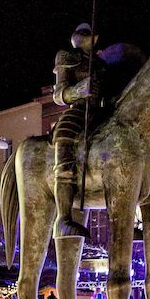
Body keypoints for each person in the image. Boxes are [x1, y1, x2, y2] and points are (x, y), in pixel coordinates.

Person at [51, 23, 101, 238]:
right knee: (64, 133)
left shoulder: (101, 64)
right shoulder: (67, 57)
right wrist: (79, 91)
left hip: (103, 111)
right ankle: (63, 218)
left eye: (87, 34)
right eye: (82, 33)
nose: (84, 37)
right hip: (79, 111)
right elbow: (58, 94)